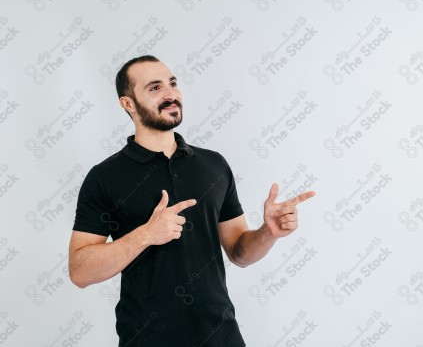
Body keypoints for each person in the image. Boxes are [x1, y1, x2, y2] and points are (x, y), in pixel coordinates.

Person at [68, 55, 315, 347]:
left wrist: (267, 233)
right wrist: (146, 235)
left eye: (173, 84)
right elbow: (80, 271)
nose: (171, 94)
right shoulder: (105, 177)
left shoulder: (213, 165)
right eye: (155, 88)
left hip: (221, 336)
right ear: (128, 104)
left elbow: (239, 253)